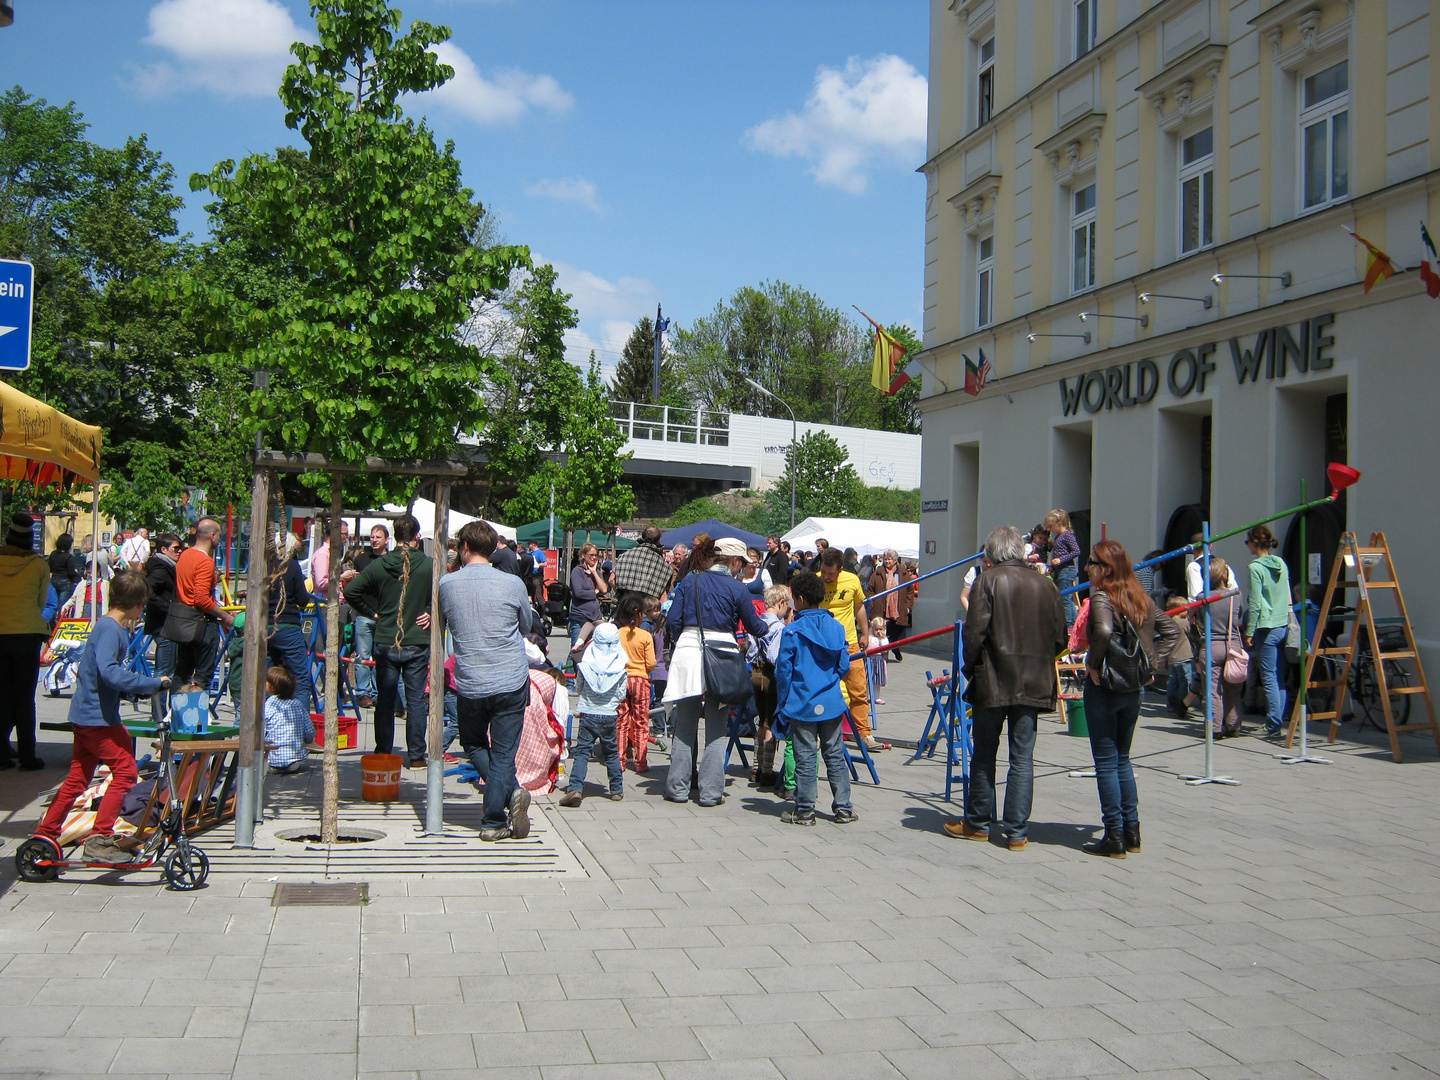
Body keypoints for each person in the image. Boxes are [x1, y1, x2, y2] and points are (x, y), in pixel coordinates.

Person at [943, 525, 1068, 850]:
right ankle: (1016, 831)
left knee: (985, 753)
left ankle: (979, 823)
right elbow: (1061, 638)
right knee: (1022, 757)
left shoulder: (988, 581)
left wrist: (972, 667)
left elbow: (974, 634)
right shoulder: (1046, 584)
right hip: (1033, 680)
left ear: (993, 554)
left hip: (993, 678)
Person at [34, 570, 168, 861]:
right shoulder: (110, 629)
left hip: (92, 715)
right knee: (126, 773)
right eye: (143, 604)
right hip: (96, 718)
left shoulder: (110, 626)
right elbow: (109, 672)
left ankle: (46, 832)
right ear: (137, 603)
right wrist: (151, 683)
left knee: (78, 778)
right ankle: (100, 838)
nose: (143, 610)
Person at [1081, 539, 1181, 858]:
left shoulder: (1101, 596)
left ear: (1105, 568)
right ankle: (1132, 831)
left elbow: (1104, 632)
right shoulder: (1139, 595)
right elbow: (1173, 633)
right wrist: (1150, 665)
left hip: (1107, 685)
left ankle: (1113, 835)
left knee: (1107, 761)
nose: (1086, 567)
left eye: (1091, 562)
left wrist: (1092, 665)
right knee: (1123, 758)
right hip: (1134, 688)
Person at [438, 520, 534, 841]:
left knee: (474, 743)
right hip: (510, 676)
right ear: (494, 549)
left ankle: (501, 809)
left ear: (463, 547)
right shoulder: (512, 583)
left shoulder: (447, 585)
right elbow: (525, 625)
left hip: (471, 679)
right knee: (504, 754)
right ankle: (501, 809)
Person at [663, 536, 768, 806]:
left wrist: (685, 640)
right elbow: (755, 627)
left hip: (688, 652)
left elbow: (673, 622)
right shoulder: (737, 589)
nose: (742, 568)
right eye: (741, 563)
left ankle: (677, 789)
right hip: (722, 656)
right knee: (716, 729)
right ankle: (710, 793)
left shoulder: (690, 581)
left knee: (684, 726)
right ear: (733, 561)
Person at [346, 513, 433, 768]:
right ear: (416, 536)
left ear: (393, 536)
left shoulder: (381, 564)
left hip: (386, 637)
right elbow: (443, 592)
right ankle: (416, 755)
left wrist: (371, 612)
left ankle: (383, 751)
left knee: (384, 699)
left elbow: (351, 590)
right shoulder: (428, 564)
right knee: (416, 701)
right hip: (416, 639)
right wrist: (431, 610)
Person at [774, 571, 858, 826]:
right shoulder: (837, 627)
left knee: (806, 757)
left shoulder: (793, 631)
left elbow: (783, 672)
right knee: (835, 754)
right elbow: (844, 666)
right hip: (831, 701)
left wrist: (783, 703)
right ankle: (843, 808)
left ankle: (805, 810)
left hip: (802, 702)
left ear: (799, 598)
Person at [0, 513, 55, 770]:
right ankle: (28, 755)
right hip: (27, 634)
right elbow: (40, 603)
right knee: (24, 697)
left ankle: (1, 753)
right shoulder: (38, 565)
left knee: (1, 695)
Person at [817, 548, 882, 751]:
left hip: (849, 643)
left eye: (831, 573)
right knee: (820, 690)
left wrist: (865, 633)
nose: (826, 577)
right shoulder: (815, 581)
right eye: (824, 572)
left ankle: (864, 733)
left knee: (858, 690)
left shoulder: (852, 580)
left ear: (840, 569)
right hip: (823, 646)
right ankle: (819, 733)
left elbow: (859, 607)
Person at [558, 622, 628, 806]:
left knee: (582, 752)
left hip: (588, 713)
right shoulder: (620, 666)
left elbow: (579, 687)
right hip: (609, 715)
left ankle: (575, 788)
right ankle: (616, 790)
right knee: (611, 753)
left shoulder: (585, 664)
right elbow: (621, 694)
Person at [165, 517, 234, 693]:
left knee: (182, 672)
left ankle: (175, 714)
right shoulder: (205, 562)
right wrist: (225, 616)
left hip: (184, 620)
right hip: (202, 622)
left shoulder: (185, 555)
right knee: (202, 675)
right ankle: (194, 716)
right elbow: (201, 599)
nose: (220, 538)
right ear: (212, 535)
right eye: (219, 535)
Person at [1243, 525, 1292, 736]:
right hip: (1283, 624)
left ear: (1255, 542)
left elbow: (1254, 603)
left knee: (1269, 676)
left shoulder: (1255, 567)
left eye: (1248, 542)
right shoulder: (1280, 563)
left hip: (1266, 626)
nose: (1247, 546)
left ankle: (1273, 724)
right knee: (1279, 676)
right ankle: (1277, 720)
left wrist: (1249, 631)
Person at [266, 530, 315, 712]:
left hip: (265, 626)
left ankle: (266, 721)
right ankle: (298, 722)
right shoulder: (292, 566)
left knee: (268, 678)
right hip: (287, 624)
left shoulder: (264, 565)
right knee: (300, 678)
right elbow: (303, 599)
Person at [750, 584, 790, 789]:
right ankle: (766, 771)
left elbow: (749, 652)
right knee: (770, 722)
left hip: (755, 673)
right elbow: (775, 656)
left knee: (760, 719)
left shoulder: (756, 623)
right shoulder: (779, 628)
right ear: (780, 603)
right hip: (770, 676)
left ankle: (755, 766)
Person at [346, 525, 390, 707]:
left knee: (381, 656)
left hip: (384, 614)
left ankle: (379, 692)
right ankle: (363, 692)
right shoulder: (362, 560)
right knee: (363, 656)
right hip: (364, 614)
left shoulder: (391, 560)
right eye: (372, 537)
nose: (374, 540)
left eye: (378, 537)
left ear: (387, 540)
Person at [614, 593, 657, 772]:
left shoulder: (617, 633)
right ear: (640, 615)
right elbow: (652, 662)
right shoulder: (645, 635)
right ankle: (641, 762)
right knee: (641, 722)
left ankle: (620, 761)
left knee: (621, 721)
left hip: (622, 679)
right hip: (640, 680)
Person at [143, 533, 182, 723]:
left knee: (166, 669)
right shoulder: (160, 568)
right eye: (176, 548)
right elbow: (148, 590)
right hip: (164, 625)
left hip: (165, 624)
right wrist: (169, 606)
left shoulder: (165, 566)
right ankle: (158, 714)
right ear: (163, 549)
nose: (180, 551)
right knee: (164, 671)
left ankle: (162, 713)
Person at [1205, 558, 1245, 739]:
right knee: (1233, 688)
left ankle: (1214, 728)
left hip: (1211, 645)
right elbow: (1240, 616)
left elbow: (1198, 620)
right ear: (1224, 574)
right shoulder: (1235, 596)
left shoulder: (1202, 598)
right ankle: (1233, 725)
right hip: (1232, 645)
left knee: (1213, 690)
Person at [867, 549, 917, 662]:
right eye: (885, 559)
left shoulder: (903, 573)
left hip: (899, 609)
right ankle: (883, 656)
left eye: (889, 559)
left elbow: (910, 590)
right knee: (883, 632)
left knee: (897, 631)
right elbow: (870, 589)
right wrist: (872, 605)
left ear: (895, 561)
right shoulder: (878, 573)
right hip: (881, 608)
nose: (887, 561)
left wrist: (908, 607)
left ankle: (894, 647)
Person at [263, 665, 315, 774]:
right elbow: (309, 731)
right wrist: (307, 741)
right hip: (295, 758)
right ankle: (291, 763)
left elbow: (261, 730)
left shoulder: (268, 705)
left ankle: (274, 765)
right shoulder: (298, 704)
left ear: (272, 687)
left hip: (273, 758)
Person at [613, 525, 672, 606]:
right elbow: (663, 596)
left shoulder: (624, 556)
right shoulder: (665, 567)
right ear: (659, 540)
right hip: (647, 610)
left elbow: (611, 580)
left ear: (642, 537)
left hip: (624, 606)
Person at [1046, 510, 1081, 626]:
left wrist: (1061, 560)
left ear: (1059, 523)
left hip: (1067, 570)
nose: (1050, 529)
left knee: (1064, 597)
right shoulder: (1059, 537)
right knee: (1067, 597)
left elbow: (1076, 551)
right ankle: (1074, 622)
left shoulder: (1067, 535)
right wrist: (1052, 566)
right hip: (1061, 570)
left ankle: (1068, 624)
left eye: (1051, 526)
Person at [569, 542, 608, 647]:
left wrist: (594, 572)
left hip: (595, 616)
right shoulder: (577, 571)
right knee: (576, 649)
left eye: (596, 555)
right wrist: (594, 592)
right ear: (583, 555)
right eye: (591, 555)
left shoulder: (597, 572)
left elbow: (604, 589)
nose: (594, 558)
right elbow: (579, 593)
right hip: (580, 617)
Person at [309, 520, 350, 596]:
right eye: (345, 534)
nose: (347, 537)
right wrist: (342, 577)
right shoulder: (323, 554)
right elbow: (320, 583)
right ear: (334, 534)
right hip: (326, 604)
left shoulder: (332, 554)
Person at [867, 616, 888, 705]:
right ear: (872, 628)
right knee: (867, 680)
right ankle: (866, 696)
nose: (879, 632)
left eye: (881, 629)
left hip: (879, 660)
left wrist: (882, 639)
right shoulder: (869, 637)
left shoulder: (884, 639)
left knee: (877, 680)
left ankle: (876, 697)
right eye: (876, 629)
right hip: (869, 660)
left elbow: (885, 649)